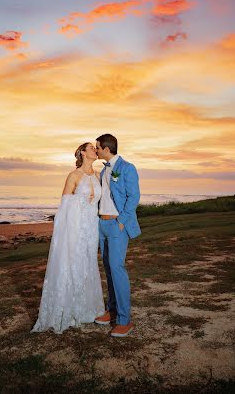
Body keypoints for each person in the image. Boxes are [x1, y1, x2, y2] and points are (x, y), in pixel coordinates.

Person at [30, 142, 105, 334]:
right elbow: (65, 205)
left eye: (95, 148)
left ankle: (88, 308)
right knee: (73, 262)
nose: (95, 150)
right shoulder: (73, 176)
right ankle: (69, 310)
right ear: (82, 152)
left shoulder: (98, 175)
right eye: (91, 148)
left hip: (91, 226)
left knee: (88, 263)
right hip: (76, 227)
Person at [94, 133, 141, 337]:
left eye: (97, 147)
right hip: (101, 225)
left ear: (106, 148)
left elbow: (134, 197)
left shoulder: (127, 168)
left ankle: (124, 320)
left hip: (116, 225)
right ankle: (111, 309)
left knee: (117, 268)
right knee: (108, 269)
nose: (95, 150)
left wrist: (121, 221)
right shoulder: (103, 170)